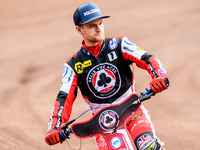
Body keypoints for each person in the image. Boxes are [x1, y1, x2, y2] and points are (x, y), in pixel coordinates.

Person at [45, 3, 169, 150]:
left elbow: (147, 58)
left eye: (101, 23)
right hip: (102, 123)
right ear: (79, 29)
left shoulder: (119, 45)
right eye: (92, 25)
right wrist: (54, 127)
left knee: (150, 147)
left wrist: (160, 76)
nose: (99, 29)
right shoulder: (73, 65)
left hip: (132, 111)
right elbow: (64, 97)